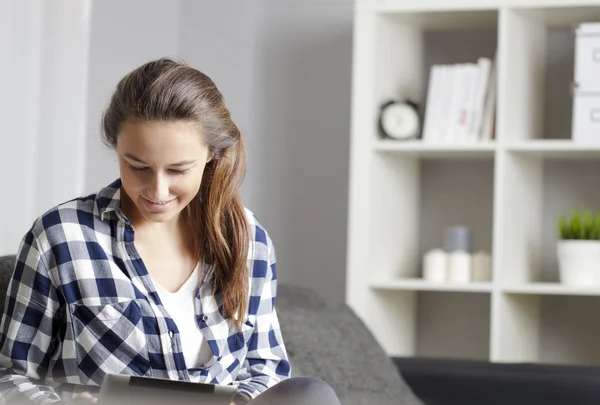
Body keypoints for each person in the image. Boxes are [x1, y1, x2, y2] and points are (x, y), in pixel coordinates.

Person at [0, 58, 340, 405]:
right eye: (138, 167)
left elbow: (264, 368)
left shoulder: (248, 239)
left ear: (212, 155)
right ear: (116, 149)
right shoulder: (62, 237)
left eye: (178, 170)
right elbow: (9, 377)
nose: (157, 191)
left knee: (310, 395)